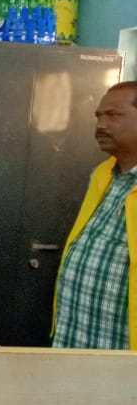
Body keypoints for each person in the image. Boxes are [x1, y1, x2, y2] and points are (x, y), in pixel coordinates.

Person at [53, 80, 137, 350]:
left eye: (114, 115)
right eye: (98, 116)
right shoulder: (103, 175)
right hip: (76, 340)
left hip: (122, 360)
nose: (101, 125)